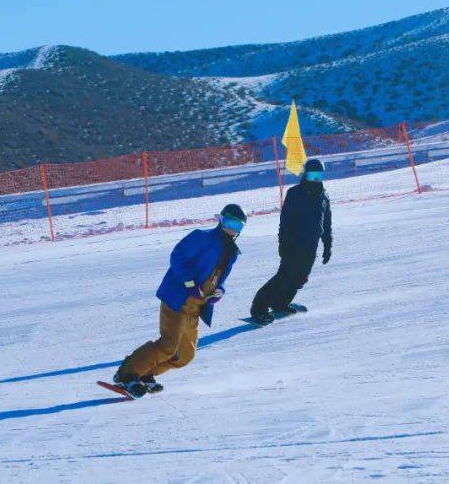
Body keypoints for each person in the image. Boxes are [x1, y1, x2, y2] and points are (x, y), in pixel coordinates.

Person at [113, 204, 247, 397]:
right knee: (168, 346)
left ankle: (146, 374)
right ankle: (127, 374)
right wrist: (190, 284)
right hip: (177, 299)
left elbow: (220, 280)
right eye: (230, 223)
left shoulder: (232, 253)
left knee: (185, 355)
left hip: (196, 307)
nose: (233, 229)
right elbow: (177, 257)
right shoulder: (201, 237)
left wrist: (219, 291)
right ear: (221, 220)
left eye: (238, 226)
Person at [250, 157, 332, 324]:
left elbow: (327, 222)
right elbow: (285, 222)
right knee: (284, 277)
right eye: (312, 176)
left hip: (311, 246)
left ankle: (280, 304)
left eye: (319, 176)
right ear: (305, 175)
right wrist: (283, 245)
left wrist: (327, 244)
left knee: (301, 277)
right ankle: (259, 308)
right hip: (293, 244)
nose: (315, 180)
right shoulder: (295, 194)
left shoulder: (324, 197)